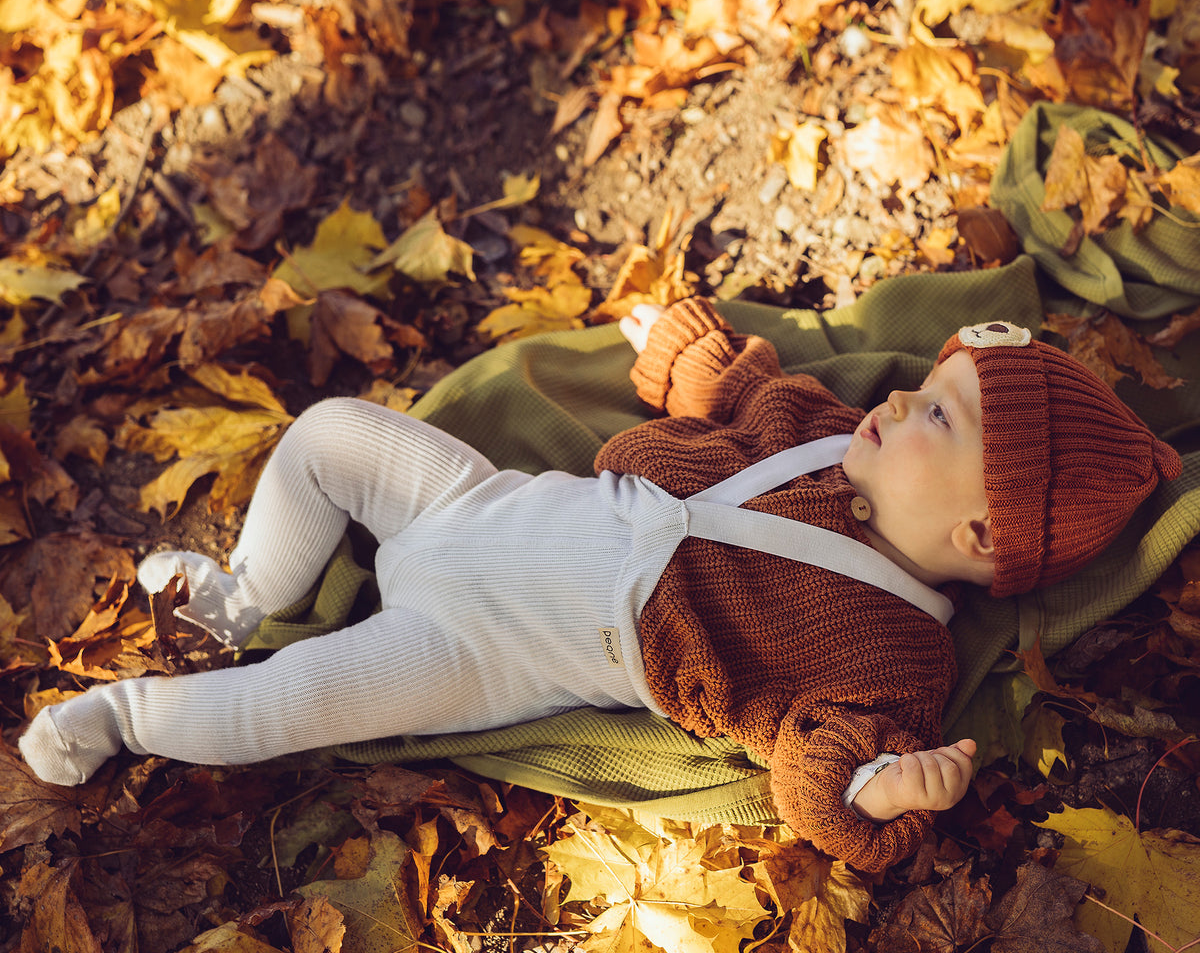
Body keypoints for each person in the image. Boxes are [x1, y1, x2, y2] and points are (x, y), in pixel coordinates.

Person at [16, 299, 1181, 870]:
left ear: (981, 536)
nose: (895, 400)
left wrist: (879, 793)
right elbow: (739, 396)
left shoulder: (894, 654)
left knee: (294, 702)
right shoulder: (827, 436)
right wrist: (687, 352)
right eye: (924, 381)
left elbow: (812, 773)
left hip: (497, 644)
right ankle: (242, 595)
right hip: (487, 506)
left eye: (936, 415)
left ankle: (120, 720)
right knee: (331, 434)